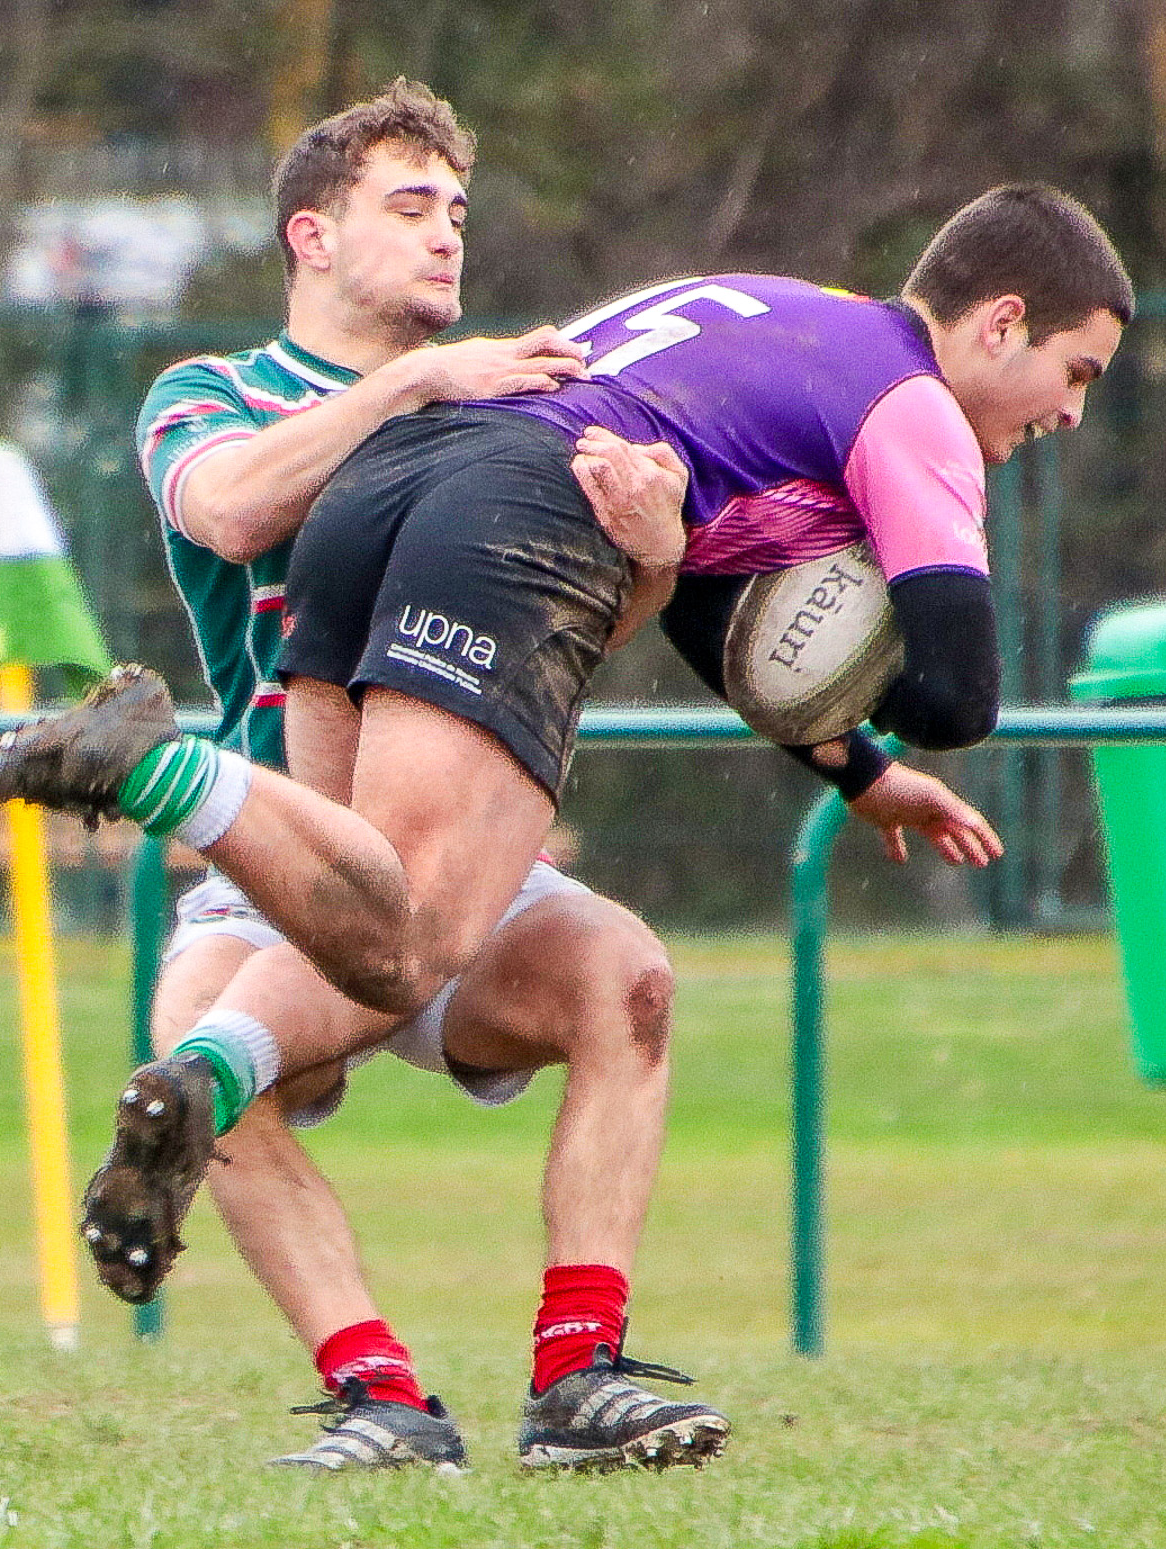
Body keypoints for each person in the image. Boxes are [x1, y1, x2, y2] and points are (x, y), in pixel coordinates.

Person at [0, 178, 1130, 1443]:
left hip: (380, 497)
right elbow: (959, 691)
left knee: (369, 924)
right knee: (409, 937)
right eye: (1077, 371)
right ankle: (160, 771)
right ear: (998, 324)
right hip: (518, 512)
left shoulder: (790, 321)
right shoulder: (918, 408)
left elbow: (694, 593)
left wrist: (855, 767)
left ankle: (210, 1077)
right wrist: (875, 622)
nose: (1067, 412)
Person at [89, 81, 727, 1473]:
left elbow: (570, 634)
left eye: (459, 212)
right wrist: (418, 387)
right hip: (290, 867)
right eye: (410, 207)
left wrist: (656, 553)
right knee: (191, 1071)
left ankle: (580, 1382)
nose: (448, 236)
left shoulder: (512, 402)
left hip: (464, 859)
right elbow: (232, 505)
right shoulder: (215, 396)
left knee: (629, 978)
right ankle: (382, 1399)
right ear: (311, 237)